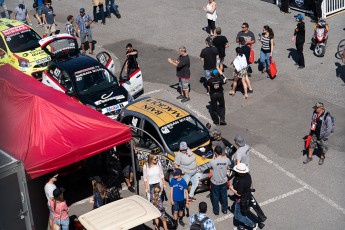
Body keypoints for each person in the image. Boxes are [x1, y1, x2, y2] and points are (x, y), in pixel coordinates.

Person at [229, 163, 258, 230]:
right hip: (247, 196)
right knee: (242, 212)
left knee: (237, 216)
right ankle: (242, 226)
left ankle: (252, 224)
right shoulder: (247, 175)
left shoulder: (241, 181)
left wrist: (231, 188)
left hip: (241, 199)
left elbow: (239, 194)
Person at [209, 146, 231, 215]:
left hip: (215, 182)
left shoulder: (212, 161)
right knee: (224, 196)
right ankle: (224, 209)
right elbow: (230, 164)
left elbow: (209, 167)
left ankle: (216, 211)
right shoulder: (226, 160)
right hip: (223, 181)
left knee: (215, 197)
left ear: (215, 153)